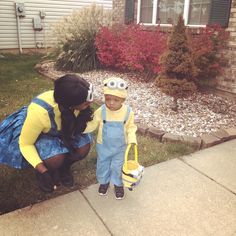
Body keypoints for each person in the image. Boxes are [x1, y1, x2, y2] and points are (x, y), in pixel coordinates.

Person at [0, 74, 94, 193]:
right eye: (86, 103)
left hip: (63, 129)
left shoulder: (73, 102)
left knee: (83, 147)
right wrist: (42, 170)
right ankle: (49, 170)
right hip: (42, 132)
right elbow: (25, 144)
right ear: (71, 105)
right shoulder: (40, 113)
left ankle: (64, 168)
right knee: (55, 159)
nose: (90, 104)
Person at [84, 77, 137, 200]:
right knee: (103, 164)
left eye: (116, 100)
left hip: (120, 147)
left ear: (123, 100)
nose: (111, 103)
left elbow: (131, 127)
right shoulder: (101, 111)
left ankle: (118, 185)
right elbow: (92, 124)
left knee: (117, 166)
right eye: (108, 99)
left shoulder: (128, 112)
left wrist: (132, 139)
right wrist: (81, 128)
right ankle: (104, 182)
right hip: (104, 146)